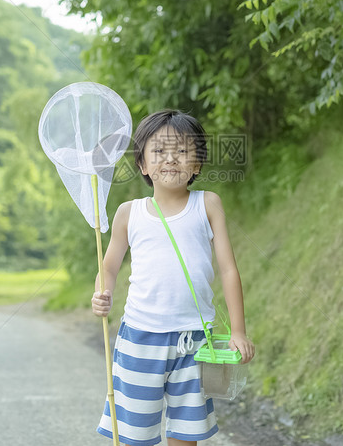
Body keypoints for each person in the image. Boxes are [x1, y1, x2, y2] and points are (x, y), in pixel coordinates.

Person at [92, 109, 255, 446]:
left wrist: (238, 330)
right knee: (135, 435)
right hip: (140, 338)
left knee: (185, 434)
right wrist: (103, 292)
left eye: (182, 151)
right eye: (159, 151)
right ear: (142, 164)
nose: (171, 159)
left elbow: (228, 269)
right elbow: (108, 267)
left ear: (197, 164)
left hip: (195, 342)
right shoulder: (129, 213)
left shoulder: (207, 204)